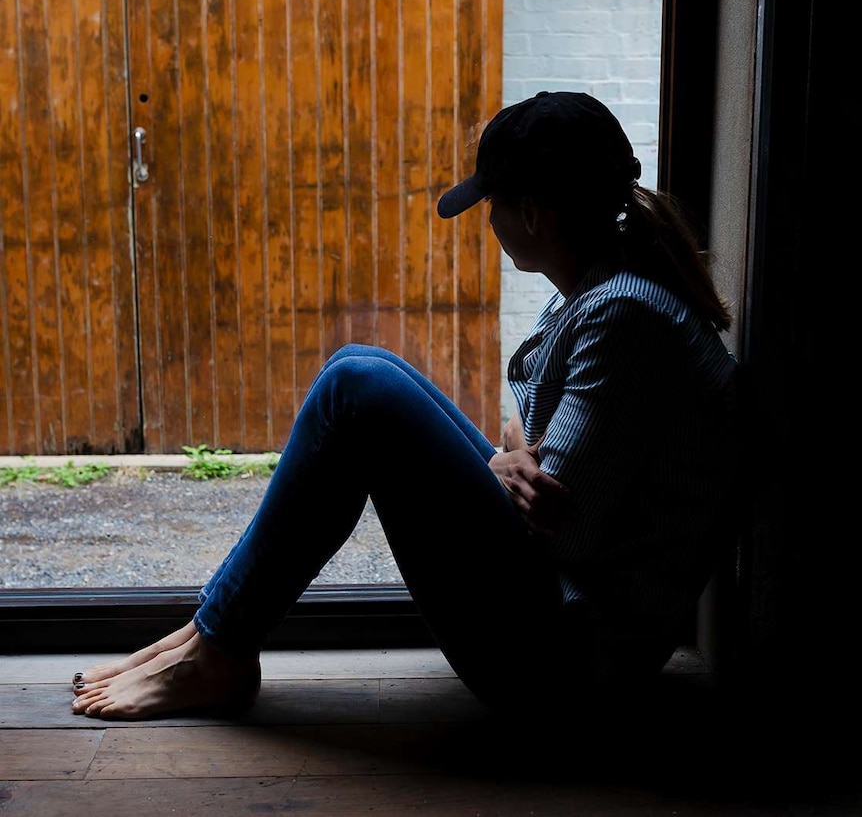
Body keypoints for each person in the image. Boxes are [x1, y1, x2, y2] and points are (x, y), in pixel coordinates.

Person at [70, 91, 737, 721]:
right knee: (361, 366)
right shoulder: (603, 287)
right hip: (559, 615)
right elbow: (531, 445)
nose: (491, 221)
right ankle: (212, 632)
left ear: (532, 213)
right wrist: (507, 460)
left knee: (357, 391)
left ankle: (217, 648)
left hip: (564, 667)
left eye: (493, 205)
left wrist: (508, 460)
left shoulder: (622, 316)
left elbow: (561, 529)